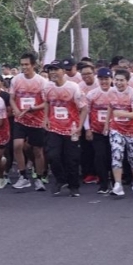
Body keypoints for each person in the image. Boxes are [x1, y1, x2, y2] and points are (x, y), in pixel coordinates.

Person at [44, 60, 87, 197]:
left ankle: (73, 186)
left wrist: (80, 126)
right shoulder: (47, 87)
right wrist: (45, 118)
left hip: (71, 129)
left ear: (63, 71)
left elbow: (84, 108)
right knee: (52, 155)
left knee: (71, 158)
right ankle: (60, 180)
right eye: (50, 70)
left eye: (56, 69)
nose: (52, 72)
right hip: (54, 127)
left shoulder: (73, 87)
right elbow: (46, 102)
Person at [10, 52, 49, 191]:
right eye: (22, 65)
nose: (24, 67)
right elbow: (12, 98)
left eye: (27, 64)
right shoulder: (16, 80)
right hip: (20, 119)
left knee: (37, 151)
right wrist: (16, 110)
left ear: (33, 65)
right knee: (17, 145)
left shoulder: (42, 82)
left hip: (36, 120)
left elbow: (46, 103)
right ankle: (23, 176)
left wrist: (32, 108)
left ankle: (39, 178)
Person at [105, 68, 133, 198]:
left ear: (127, 81)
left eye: (122, 80)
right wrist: (106, 124)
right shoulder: (111, 91)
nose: (119, 83)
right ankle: (118, 184)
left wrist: (122, 113)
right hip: (116, 128)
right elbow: (110, 107)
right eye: (116, 80)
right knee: (116, 154)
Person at [85, 68, 117, 194]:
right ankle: (103, 184)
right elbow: (86, 113)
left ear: (111, 79)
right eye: (101, 79)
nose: (104, 81)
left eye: (106, 79)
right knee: (99, 156)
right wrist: (87, 129)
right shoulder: (92, 94)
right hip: (97, 130)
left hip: (114, 131)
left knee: (113, 156)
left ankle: (115, 182)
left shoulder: (116, 93)